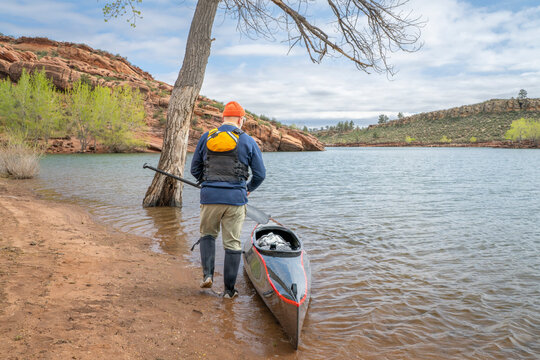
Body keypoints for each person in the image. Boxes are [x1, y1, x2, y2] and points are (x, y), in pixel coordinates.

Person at [190, 101, 266, 299]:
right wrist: (247, 189)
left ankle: (207, 275)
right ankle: (229, 291)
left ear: (223, 118)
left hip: (209, 198)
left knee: (207, 234)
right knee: (232, 243)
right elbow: (260, 174)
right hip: (235, 200)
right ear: (241, 120)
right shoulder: (248, 140)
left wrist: (206, 183)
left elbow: (194, 169)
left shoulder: (207, 137)